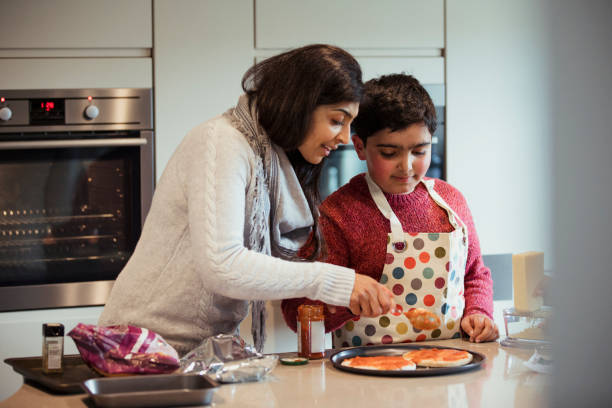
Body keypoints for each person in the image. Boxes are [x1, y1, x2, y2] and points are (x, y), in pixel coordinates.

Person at [98, 44, 395, 355]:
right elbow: (222, 265)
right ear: (299, 105)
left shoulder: (274, 161)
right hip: (139, 345)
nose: (344, 138)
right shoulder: (221, 142)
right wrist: (336, 282)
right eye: (337, 120)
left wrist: (340, 295)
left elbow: (271, 272)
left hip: (203, 350)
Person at [282, 74, 498, 346]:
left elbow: (475, 274)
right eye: (389, 153)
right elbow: (296, 311)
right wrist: (348, 297)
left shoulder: (451, 201)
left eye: (420, 151)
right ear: (360, 147)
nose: (406, 167)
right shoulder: (337, 215)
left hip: (449, 367)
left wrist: (479, 313)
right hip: (366, 377)